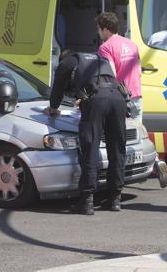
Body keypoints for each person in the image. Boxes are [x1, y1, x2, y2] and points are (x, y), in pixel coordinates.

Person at [46, 50, 126, 215]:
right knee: (117, 148)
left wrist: (53, 108)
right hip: (119, 98)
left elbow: (58, 88)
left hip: (97, 101)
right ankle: (115, 199)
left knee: (90, 147)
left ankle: (87, 200)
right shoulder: (99, 58)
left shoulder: (66, 62)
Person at [96, 12, 167, 189]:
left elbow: (110, 75)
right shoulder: (131, 44)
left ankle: (117, 177)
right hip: (136, 95)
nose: (98, 33)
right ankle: (155, 161)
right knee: (138, 135)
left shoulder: (105, 48)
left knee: (117, 139)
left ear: (105, 29)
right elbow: (137, 71)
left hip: (120, 98)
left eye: (99, 29)